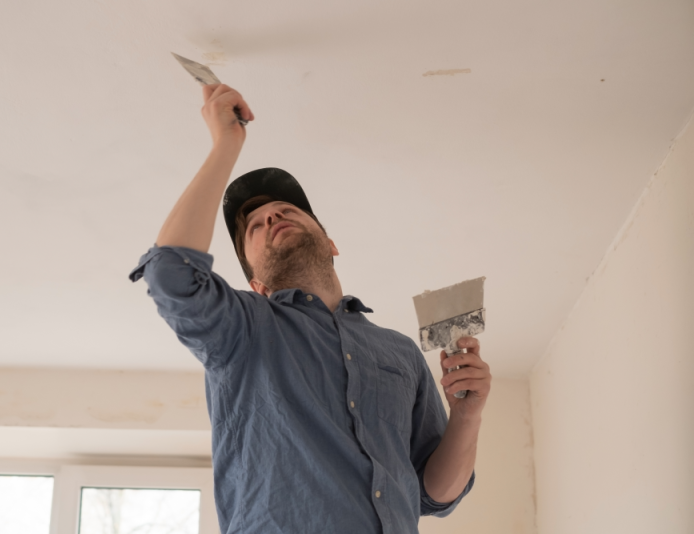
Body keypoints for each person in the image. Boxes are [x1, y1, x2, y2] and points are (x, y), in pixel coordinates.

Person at [129, 84, 491, 534]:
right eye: (256, 227)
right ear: (255, 283)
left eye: (285, 210)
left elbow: (435, 495)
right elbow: (171, 273)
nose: (272, 217)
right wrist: (228, 144)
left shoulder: (400, 353)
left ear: (331, 243)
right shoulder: (242, 328)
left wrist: (467, 415)